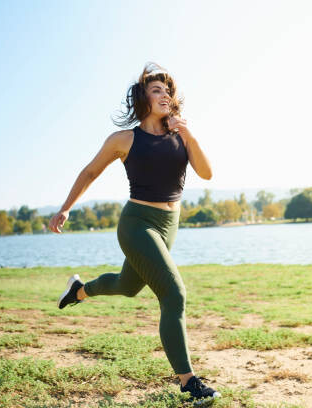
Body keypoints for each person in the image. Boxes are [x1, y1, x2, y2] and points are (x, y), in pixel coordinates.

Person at [48, 62, 220, 403]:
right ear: (143, 98)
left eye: (167, 90)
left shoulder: (180, 136)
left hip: (169, 226)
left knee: (127, 286)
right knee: (174, 295)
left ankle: (80, 291)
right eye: (156, 90)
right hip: (137, 223)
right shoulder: (124, 139)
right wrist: (66, 206)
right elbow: (90, 171)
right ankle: (188, 381)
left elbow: (207, 173)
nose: (164, 95)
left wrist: (188, 134)